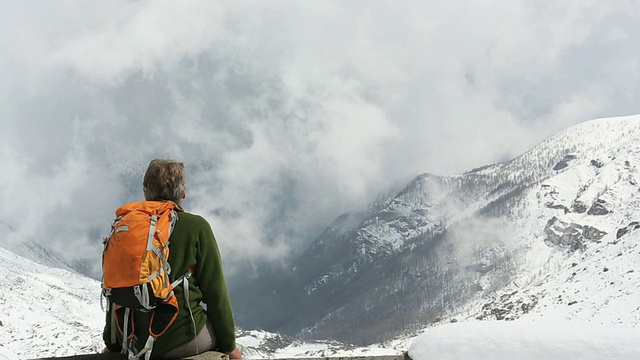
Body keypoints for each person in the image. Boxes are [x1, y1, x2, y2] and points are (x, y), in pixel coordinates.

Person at [103, 158, 242, 360]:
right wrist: (230, 346)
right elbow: (215, 292)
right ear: (183, 194)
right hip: (182, 339)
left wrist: (112, 342)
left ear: (145, 192)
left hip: (133, 339)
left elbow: (113, 287)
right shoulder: (196, 227)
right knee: (214, 336)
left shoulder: (124, 226)